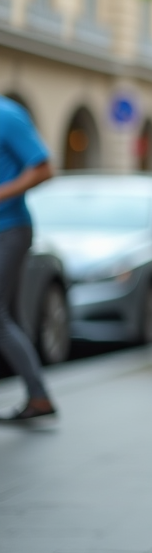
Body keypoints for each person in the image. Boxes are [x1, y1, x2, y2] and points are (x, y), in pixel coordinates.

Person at [0, 97, 57, 422]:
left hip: (8, 230)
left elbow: (44, 169)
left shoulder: (7, 116)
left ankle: (39, 396)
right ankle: (38, 397)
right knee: (10, 318)